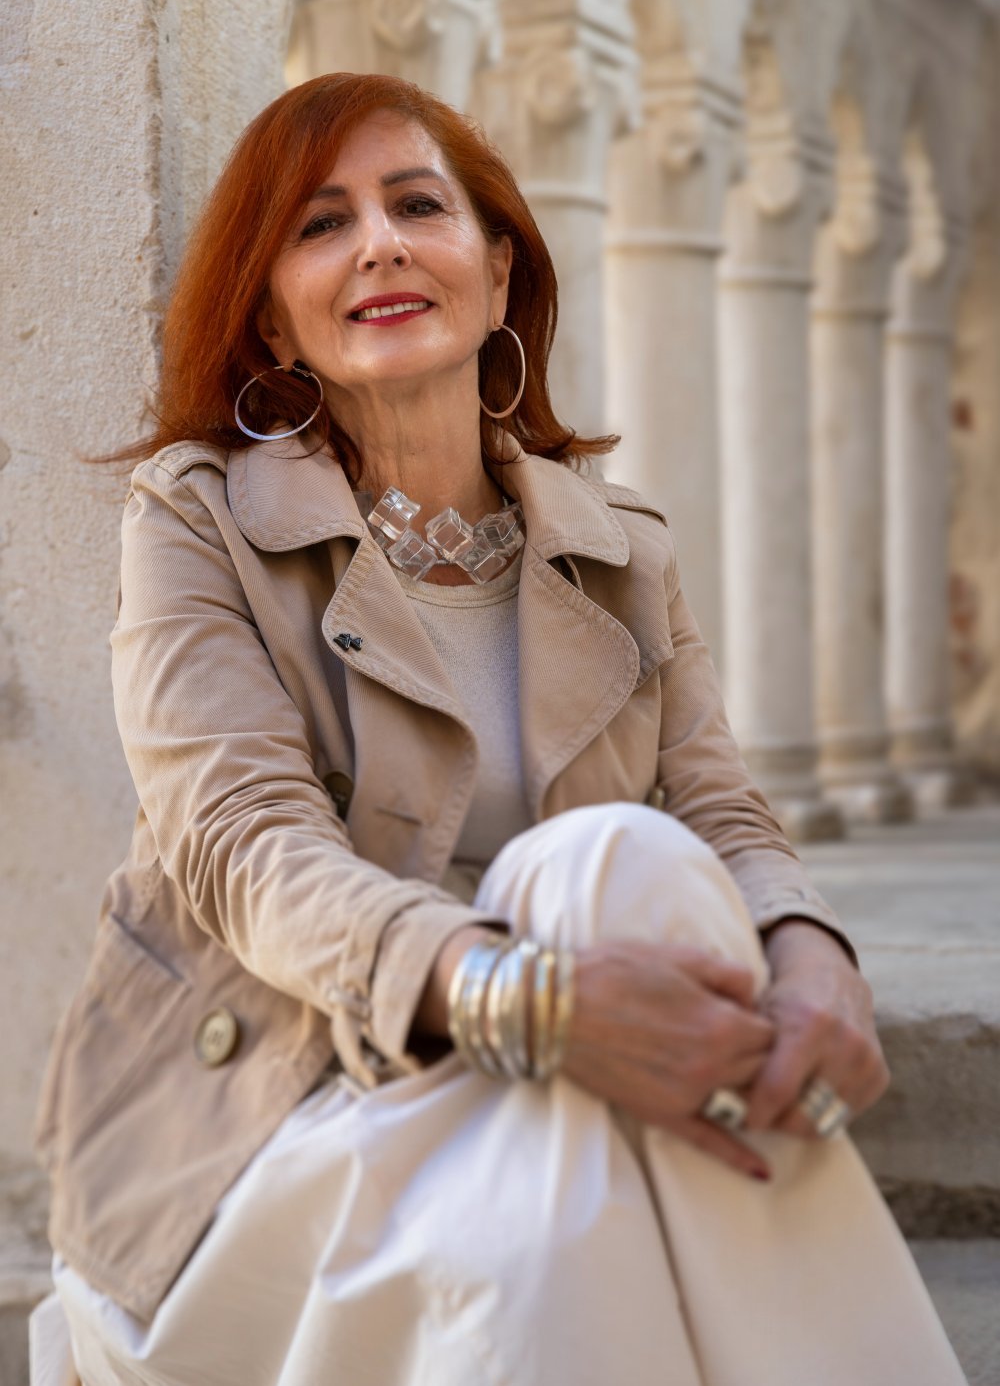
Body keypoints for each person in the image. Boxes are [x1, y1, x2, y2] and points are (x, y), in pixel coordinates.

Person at [30, 72, 966, 1386]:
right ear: (274, 317)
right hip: (285, 1106)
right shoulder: (198, 520)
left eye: (419, 206)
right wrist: (534, 1008)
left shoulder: (622, 546)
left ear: (497, 264)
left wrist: (812, 957)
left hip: (569, 1106)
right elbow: (246, 845)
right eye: (321, 225)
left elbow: (722, 813)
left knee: (614, 913)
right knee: (577, 1097)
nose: (380, 244)